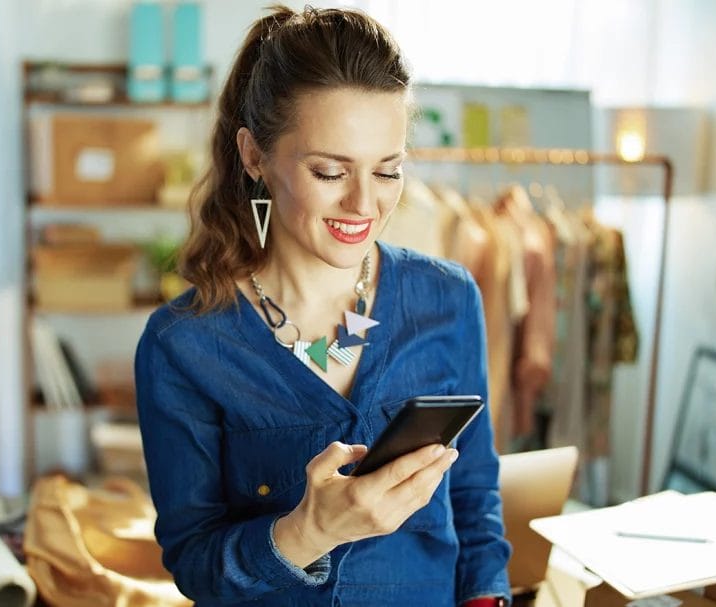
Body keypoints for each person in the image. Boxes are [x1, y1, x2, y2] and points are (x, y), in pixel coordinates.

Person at [135, 5, 511, 606]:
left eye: (387, 171)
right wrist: (307, 534)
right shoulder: (184, 343)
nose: (363, 204)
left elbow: (472, 495)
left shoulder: (448, 299)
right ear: (254, 156)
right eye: (330, 171)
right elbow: (194, 563)